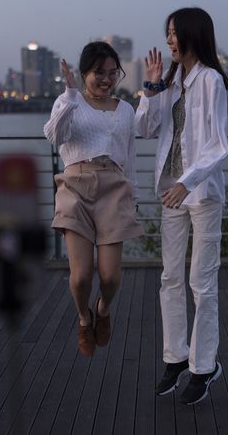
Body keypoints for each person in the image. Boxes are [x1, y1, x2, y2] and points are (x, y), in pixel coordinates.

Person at [135, 7, 228, 405]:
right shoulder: (171, 84)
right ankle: (176, 358)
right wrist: (151, 88)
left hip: (200, 194)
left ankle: (204, 367)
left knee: (201, 284)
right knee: (170, 279)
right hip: (171, 194)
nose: (169, 40)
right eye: (167, 33)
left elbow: (218, 145)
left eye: (173, 33)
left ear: (193, 34)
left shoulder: (211, 81)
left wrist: (186, 181)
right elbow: (144, 129)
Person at [43, 41, 144, 356]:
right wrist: (71, 95)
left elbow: (129, 155)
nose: (106, 79)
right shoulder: (69, 101)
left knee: (111, 276)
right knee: (82, 276)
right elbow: (54, 136)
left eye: (113, 73)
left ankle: (102, 308)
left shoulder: (125, 109)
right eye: (99, 72)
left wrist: (133, 194)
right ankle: (84, 317)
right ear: (84, 72)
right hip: (75, 187)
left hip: (114, 187)